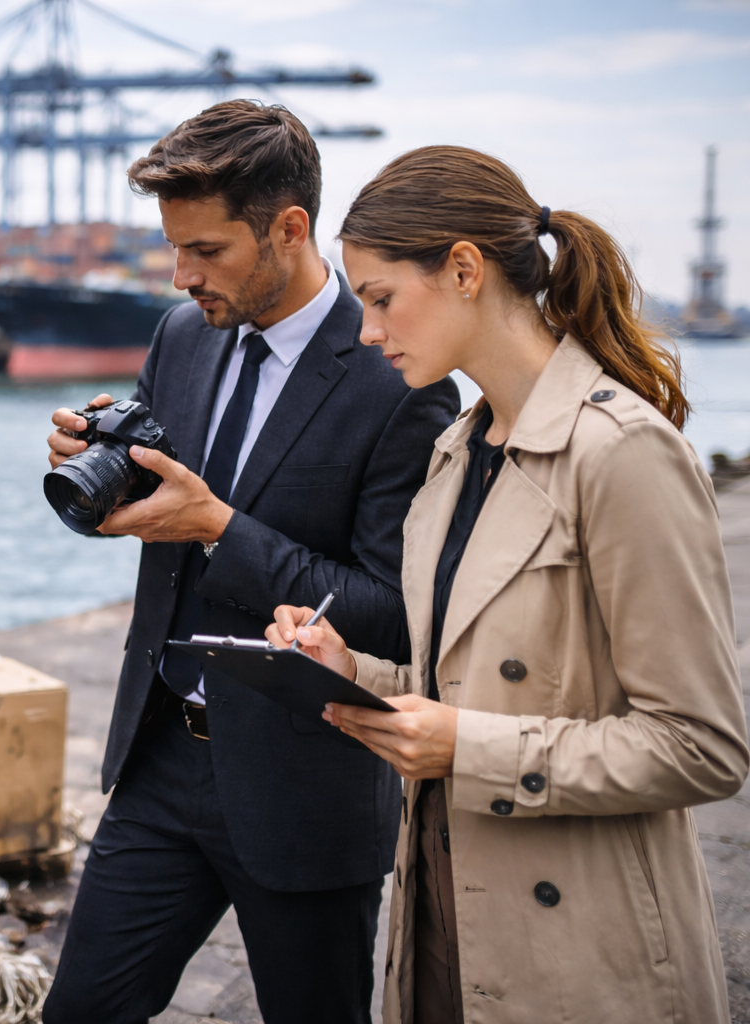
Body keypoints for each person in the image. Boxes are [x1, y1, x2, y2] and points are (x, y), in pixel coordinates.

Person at [267, 145, 750, 1024]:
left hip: (585, 949)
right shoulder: (455, 455)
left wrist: (470, 751)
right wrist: (352, 674)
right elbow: (464, 694)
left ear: (462, 270)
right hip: (447, 912)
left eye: (379, 299)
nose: (366, 330)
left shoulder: (624, 452)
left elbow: (703, 745)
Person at [41, 101, 461, 1024]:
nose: (182, 274)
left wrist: (219, 528)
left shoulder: (400, 379)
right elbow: (161, 494)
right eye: (174, 248)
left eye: (208, 251)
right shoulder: (180, 334)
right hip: (157, 757)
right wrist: (101, 466)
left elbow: (395, 613)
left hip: (305, 784)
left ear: (289, 228)